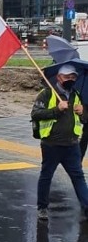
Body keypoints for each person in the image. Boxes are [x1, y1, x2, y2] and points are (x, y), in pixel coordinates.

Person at [32, 64, 88, 221]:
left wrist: (83, 112)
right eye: (67, 76)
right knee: (46, 176)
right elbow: (35, 114)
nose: (70, 79)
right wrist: (57, 109)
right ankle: (42, 207)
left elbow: (84, 120)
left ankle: (86, 206)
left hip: (72, 144)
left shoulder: (76, 95)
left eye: (73, 77)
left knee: (78, 176)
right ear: (58, 77)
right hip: (52, 144)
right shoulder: (47, 94)